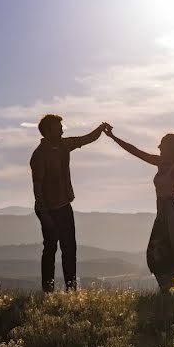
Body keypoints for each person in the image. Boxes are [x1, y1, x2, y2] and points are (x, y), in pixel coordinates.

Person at [104, 127, 174, 294]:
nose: (158, 147)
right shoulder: (160, 162)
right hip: (162, 215)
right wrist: (112, 136)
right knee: (159, 253)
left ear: (170, 147)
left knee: (165, 253)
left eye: (162, 144)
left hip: (172, 216)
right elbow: (135, 151)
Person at [30, 114, 111, 292]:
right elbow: (37, 187)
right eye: (59, 127)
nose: (63, 129)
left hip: (64, 205)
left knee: (69, 248)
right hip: (49, 209)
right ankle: (49, 290)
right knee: (51, 249)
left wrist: (101, 129)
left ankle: (71, 289)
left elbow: (86, 139)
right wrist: (44, 214)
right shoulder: (39, 155)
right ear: (49, 130)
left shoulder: (63, 145)